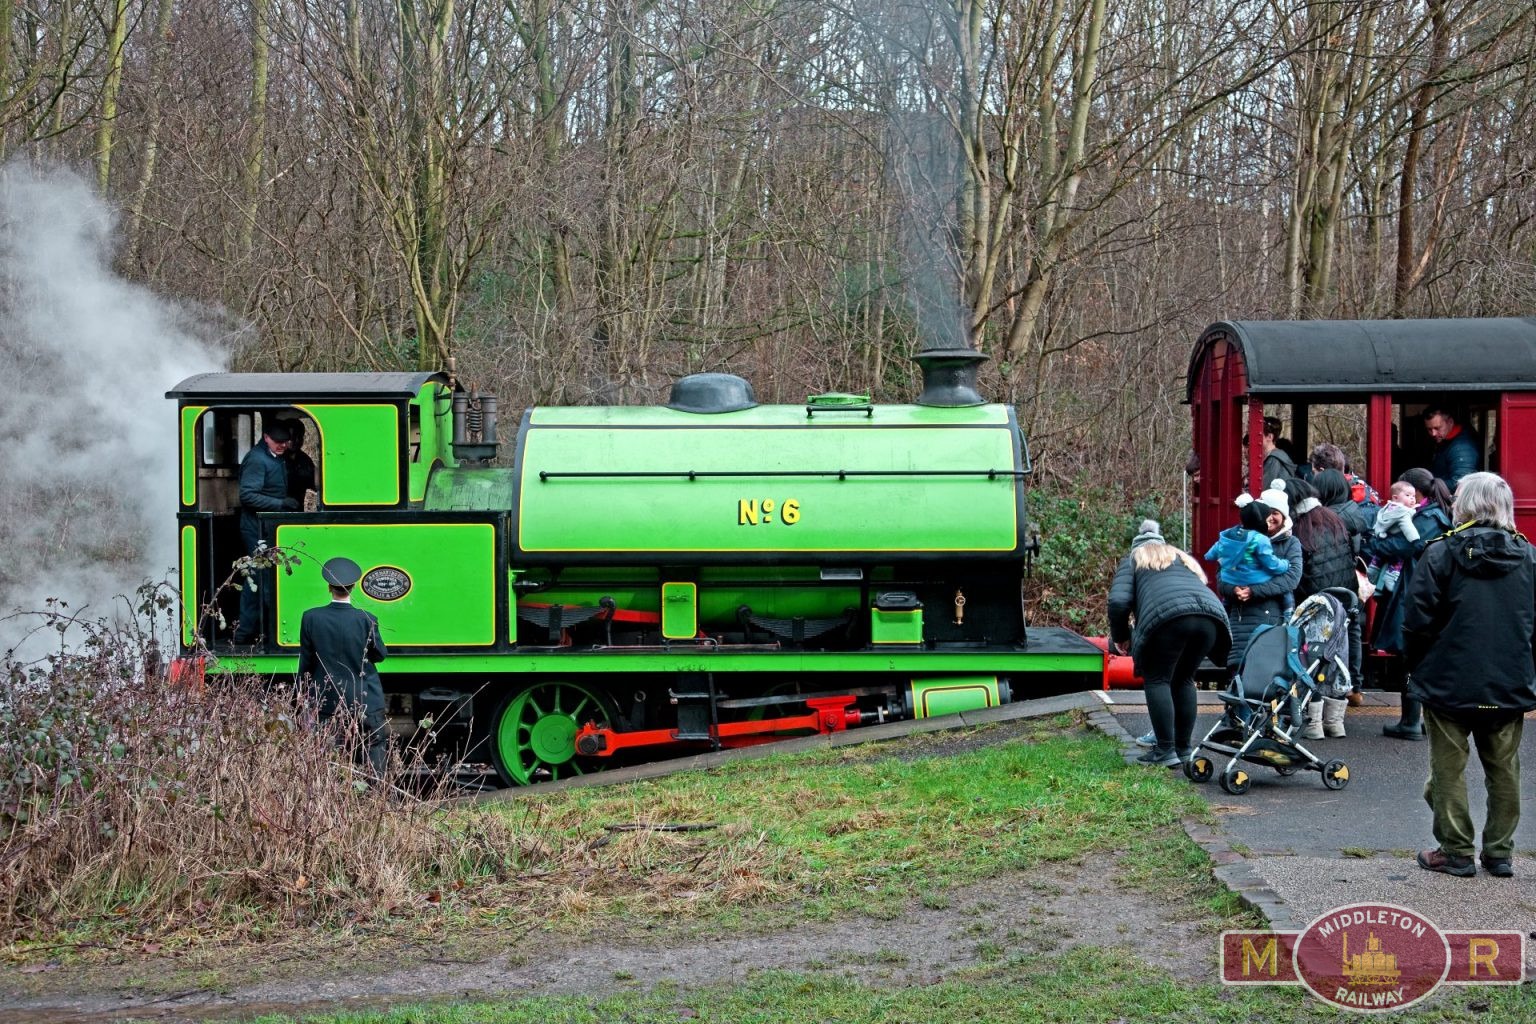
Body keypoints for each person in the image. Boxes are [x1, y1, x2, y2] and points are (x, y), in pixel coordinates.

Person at [1401, 473, 1536, 878]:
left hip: (1448, 680)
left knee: (1446, 770)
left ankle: (1456, 850)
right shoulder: (1529, 557)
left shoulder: (1440, 554)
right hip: (1509, 681)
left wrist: (1419, 668)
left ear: (1466, 505)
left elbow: (1416, 620)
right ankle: (1499, 853)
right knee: (1505, 770)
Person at [1108, 520, 1231, 768]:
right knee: (1184, 678)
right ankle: (1183, 748)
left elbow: (1119, 602)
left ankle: (1165, 750)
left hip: (1169, 619)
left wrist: (1121, 635)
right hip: (1210, 618)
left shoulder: (1134, 558)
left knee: (1158, 679)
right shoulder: (1181, 557)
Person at [1362, 467, 1453, 739]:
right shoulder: (1435, 514)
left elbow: (1400, 546)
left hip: (1411, 594)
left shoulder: (1427, 518)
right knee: (1417, 658)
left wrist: (1377, 543)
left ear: (1416, 492)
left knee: (1410, 658)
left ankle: (1411, 721)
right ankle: (1418, 719)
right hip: (1425, 592)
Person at [296, 556, 390, 777]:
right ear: (354, 587)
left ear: (329, 587)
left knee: (327, 759)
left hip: (326, 700)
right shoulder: (367, 619)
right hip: (365, 698)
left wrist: (302, 696)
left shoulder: (310, 618)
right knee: (374, 753)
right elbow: (380, 655)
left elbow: (306, 663)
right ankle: (376, 802)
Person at [1289, 478, 1359, 738]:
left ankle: (1314, 724)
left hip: (1315, 602)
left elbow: (1300, 572)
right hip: (1343, 598)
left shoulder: (1299, 528)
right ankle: (1336, 722)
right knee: (1336, 657)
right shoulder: (1333, 519)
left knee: (1311, 658)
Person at [1220, 484, 1302, 681]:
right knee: (1239, 675)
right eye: (1268, 512)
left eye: (1276, 513)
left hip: (1273, 618)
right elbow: (1221, 578)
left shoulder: (1291, 544)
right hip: (1239, 619)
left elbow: (1292, 577)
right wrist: (1234, 589)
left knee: (1267, 678)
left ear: (1284, 517)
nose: (1271, 518)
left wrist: (1254, 591)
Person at [233, 419, 298, 644]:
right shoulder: (258, 460)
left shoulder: (275, 457)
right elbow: (247, 495)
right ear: (266, 438)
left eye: (285, 442)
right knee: (257, 578)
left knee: (264, 577)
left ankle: (263, 631)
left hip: (268, 526)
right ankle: (245, 635)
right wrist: (280, 504)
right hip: (255, 527)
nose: (282, 446)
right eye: (278, 442)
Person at [1363, 481, 1418, 594]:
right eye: (1408, 496)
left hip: (1383, 536)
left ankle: (1373, 568)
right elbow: (1407, 526)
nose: (1412, 499)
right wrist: (1415, 538)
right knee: (1399, 557)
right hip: (1395, 537)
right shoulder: (1403, 512)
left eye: (1413, 496)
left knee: (1379, 556)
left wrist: (1378, 532)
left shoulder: (1387, 507)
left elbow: (1378, 524)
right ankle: (1391, 575)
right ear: (1395, 497)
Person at [1423, 406, 1481, 491]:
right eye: (1429, 429)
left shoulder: (1462, 448)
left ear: (1450, 422)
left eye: (1437, 428)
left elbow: (1459, 483)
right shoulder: (1445, 441)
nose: (1433, 434)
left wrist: (1425, 488)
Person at [283, 417, 318, 508]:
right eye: (292, 437)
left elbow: (316, 483)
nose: (296, 441)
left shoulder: (305, 460)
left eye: (300, 436)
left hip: (296, 510)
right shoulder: (276, 458)